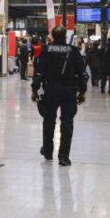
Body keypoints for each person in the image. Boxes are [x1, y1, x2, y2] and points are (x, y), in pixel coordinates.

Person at [31, 26, 87, 167]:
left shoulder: (46, 50)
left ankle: (48, 151)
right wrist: (82, 91)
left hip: (51, 90)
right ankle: (63, 156)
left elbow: (39, 72)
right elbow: (82, 73)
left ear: (52, 36)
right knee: (67, 122)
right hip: (69, 90)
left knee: (49, 120)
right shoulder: (73, 51)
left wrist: (35, 89)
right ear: (65, 36)